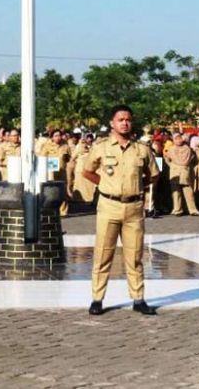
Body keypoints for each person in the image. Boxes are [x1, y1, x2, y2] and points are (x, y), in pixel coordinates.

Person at [82, 105, 159, 316]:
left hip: (134, 207)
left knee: (134, 256)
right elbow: (87, 171)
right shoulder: (101, 147)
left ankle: (138, 299)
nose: (125, 123)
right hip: (109, 205)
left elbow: (153, 175)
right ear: (112, 123)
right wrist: (105, 184)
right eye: (120, 119)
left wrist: (138, 187)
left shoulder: (141, 149)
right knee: (103, 254)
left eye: (128, 119)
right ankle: (97, 298)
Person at [166, 133, 199, 216]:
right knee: (176, 192)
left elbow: (194, 160)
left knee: (188, 192)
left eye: (179, 138)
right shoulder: (171, 149)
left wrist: (173, 165)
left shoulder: (187, 149)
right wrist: (172, 166)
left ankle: (192, 210)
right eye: (176, 139)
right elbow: (167, 159)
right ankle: (178, 209)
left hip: (184, 172)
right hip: (176, 173)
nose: (178, 140)